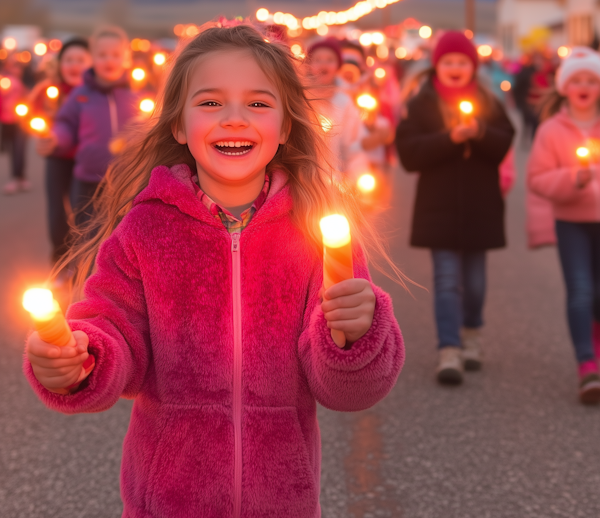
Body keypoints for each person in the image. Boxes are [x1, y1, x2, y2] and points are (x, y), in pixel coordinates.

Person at [24, 25, 404, 518]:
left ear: (286, 126)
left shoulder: (317, 233)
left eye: (258, 104)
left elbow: (346, 392)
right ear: (179, 125)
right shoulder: (146, 228)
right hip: (168, 500)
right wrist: (76, 359)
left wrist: (355, 336)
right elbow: (112, 329)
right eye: (210, 103)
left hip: (281, 499)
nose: (233, 119)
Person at [396, 30, 514, 384]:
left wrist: (479, 133)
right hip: (439, 207)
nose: (456, 67)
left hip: (480, 207)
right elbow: (409, 153)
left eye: (463, 62)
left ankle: (472, 333)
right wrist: (450, 139)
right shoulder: (421, 103)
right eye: (448, 61)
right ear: (436, 65)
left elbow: (504, 143)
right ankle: (448, 348)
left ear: (473, 67)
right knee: (447, 280)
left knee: (475, 283)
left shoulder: (489, 102)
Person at [527, 46, 600, 404]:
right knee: (582, 290)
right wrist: (575, 179)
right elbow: (538, 178)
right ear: (564, 87)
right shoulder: (552, 130)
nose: (584, 86)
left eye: (592, 79)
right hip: (572, 222)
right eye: (577, 79)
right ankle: (587, 364)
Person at [38, 26, 138, 229]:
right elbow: (66, 125)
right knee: (86, 236)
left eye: (116, 55)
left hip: (125, 182)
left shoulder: (134, 97)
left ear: (126, 58)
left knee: (120, 235)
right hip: (87, 182)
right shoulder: (80, 95)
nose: (109, 60)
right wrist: (56, 138)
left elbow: (144, 129)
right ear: (91, 58)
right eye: (102, 55)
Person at [31, 39, 92, 262]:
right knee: (57, 213)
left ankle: (81, 265)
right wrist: (44, 135)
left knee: (84, 215)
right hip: (58, 159)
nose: (74, 65)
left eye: (80, 60)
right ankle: (59, 262)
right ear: (59, 64)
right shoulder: (49, 92)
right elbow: (33, 118)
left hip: (86, 162)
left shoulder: (96, 94)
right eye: (68, 60)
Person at [305, 37, 370, 181]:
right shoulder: (300, 100)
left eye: (329, 60)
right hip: (305, 183)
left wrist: (358, 176)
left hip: (336, 182)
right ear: (309, 65)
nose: (324, 64)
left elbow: (353, 144)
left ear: (338, 66)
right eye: (318, 59)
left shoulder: (344, 101)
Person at [0, 53, 30, 194]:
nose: (14, 69)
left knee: (20, 148)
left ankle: (19, 177)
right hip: (6, 120)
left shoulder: (27, 80)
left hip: (21, 120)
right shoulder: (4, 80)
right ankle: (17, 177)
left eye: (17, 66)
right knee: (11, 149)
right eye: (11, 66)